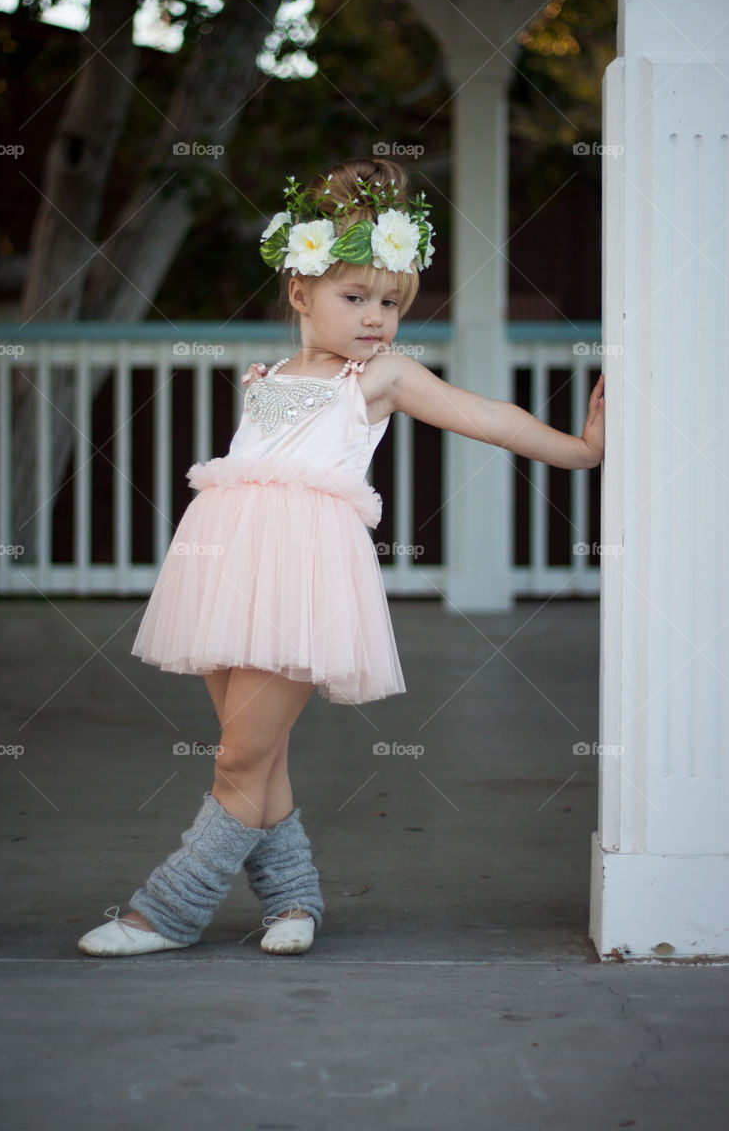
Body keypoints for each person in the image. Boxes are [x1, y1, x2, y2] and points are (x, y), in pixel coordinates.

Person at [78, 155, 605, 958]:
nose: (376, 317)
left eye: (391, 301)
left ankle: (168, 912)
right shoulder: (272, 377)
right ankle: (294, 901)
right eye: (354, 296)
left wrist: (581, 451)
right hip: (228, 571)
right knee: (263, 754)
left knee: (239, 755)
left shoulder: (383, 375)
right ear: (301, 290)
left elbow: (487, 417)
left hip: (301, 577)